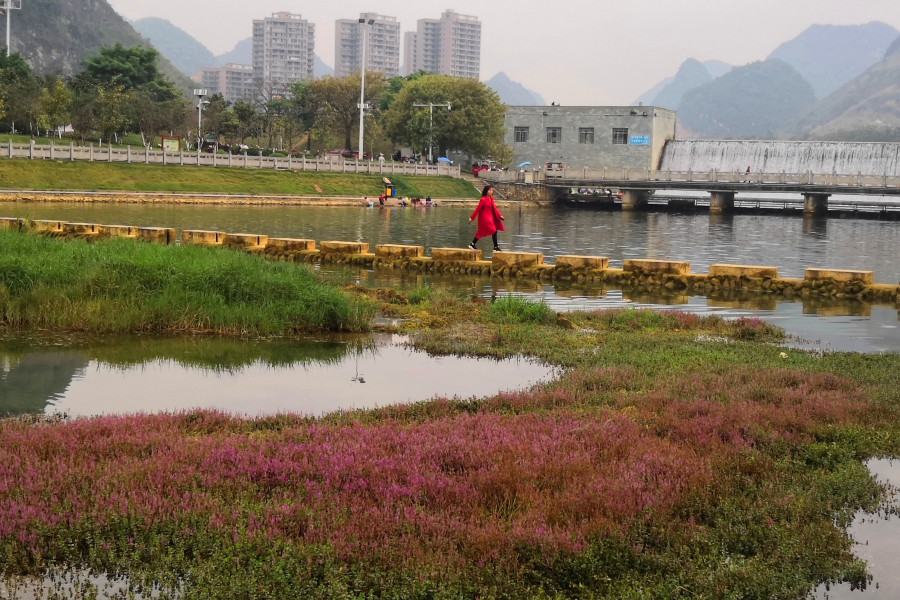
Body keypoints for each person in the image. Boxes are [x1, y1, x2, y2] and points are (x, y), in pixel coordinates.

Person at [469, 185, 505, 253]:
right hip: (484, 218)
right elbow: (477, 209)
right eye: (490, 190)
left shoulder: (491, 199)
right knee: (494, 230)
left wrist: (500, 215)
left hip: (490, 218)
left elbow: (494, 208)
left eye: (492, 190)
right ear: (486, 191)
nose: (491, 191)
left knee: (481, 232)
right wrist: (472, 217)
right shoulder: (483, 200)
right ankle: (495, 247)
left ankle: (472, 244)